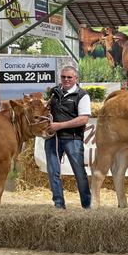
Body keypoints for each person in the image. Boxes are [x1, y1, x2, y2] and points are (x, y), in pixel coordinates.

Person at [45, 65, 92, 210]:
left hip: (73, 139)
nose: (66, 80)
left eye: (69, 77)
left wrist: (59, 126)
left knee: (79, 173)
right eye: (63, 77)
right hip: (53, 139)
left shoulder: (82, 95)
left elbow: (83, 119)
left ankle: (87, 205)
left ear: (76, 78)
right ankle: (59, 205)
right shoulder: (54, 92)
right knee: (53, 172)